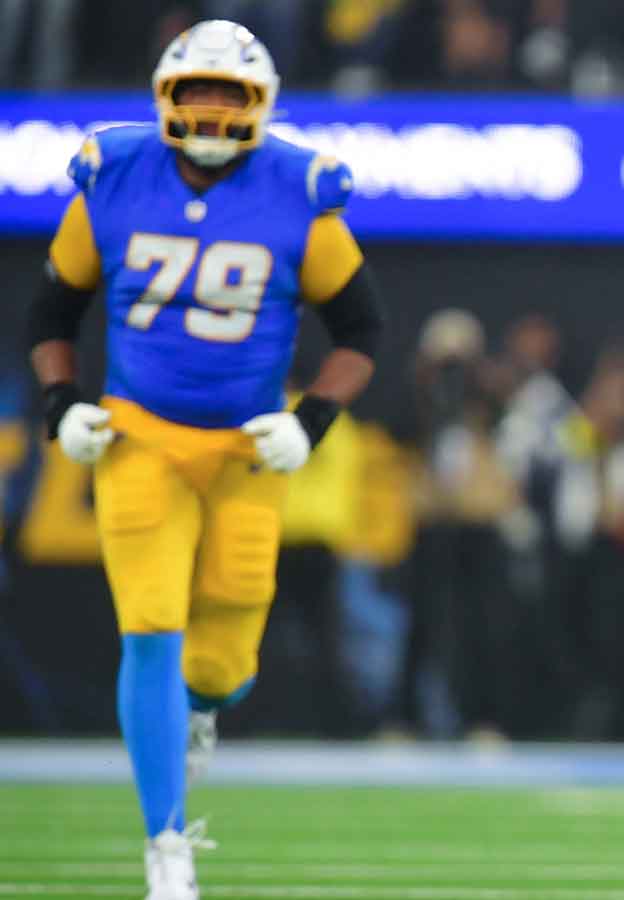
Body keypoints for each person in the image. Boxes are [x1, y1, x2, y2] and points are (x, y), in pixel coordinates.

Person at [23, 19, 382, 900]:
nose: (214, 114)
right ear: (166, 99)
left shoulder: (299, 188)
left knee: (221, 664)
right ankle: (166, 845)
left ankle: (206, 709)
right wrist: (60, 402)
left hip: (247, 449)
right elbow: (51, 311)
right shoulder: (114, 177)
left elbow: (363, 328)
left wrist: (314, 421)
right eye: (199, 95)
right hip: (139, 436)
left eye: (233, 97)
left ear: (262, 107)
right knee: (149, 628)